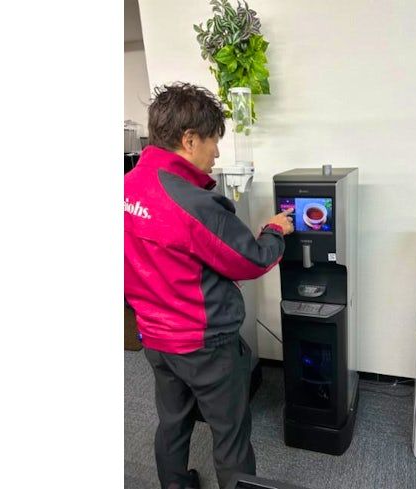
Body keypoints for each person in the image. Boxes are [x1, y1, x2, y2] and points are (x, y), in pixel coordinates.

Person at [124, 82, 294, 489]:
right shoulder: (194, 204)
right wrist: (275, 230)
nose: (216, 153)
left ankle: (175, 485)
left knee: (172, 421)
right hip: (205, 345)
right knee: (230, 435)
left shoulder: (125, 187)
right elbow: (251, 260)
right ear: (189, 140)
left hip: (156, 339)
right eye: (214, 141)